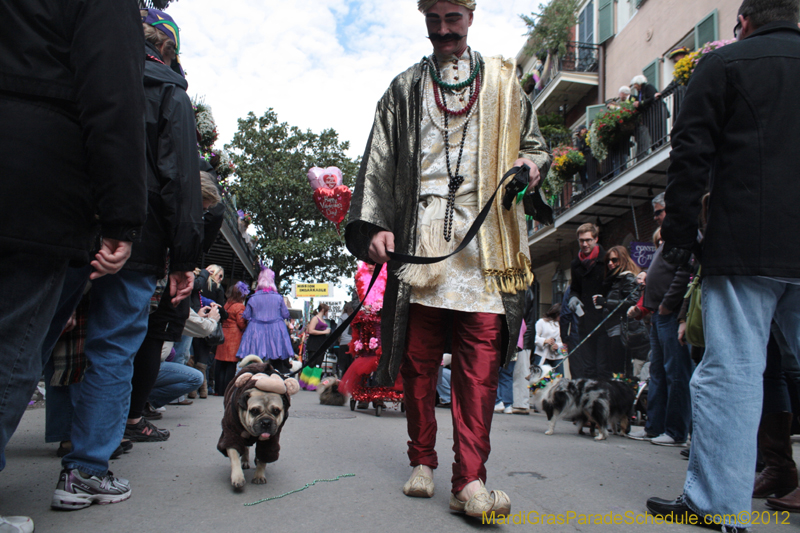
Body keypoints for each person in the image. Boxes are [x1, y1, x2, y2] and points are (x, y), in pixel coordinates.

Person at [345, 0, 550, 516]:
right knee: (417, 362)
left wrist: (530, 164)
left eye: (451, 20)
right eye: (433, 21)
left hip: (487, 249)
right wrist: (372, 228)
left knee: (478, 368)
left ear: (470, 18)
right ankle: (421, 459)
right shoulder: (403, 89)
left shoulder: (504, 84)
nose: (442, 31)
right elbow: (378, 163)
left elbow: (536, 145)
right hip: (421, 244)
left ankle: (470, 480)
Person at [646, 0, 800, 528]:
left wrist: (681, 242)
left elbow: (690, 157)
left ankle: (716, 506)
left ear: (746, 21)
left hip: (745, 243)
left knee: (732, 374)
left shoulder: (725, 64)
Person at [0, 0, 147, 520]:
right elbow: (112, 101)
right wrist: (122, 219)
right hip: (36, 184)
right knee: (15, 349)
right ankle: (87, 465)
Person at [568, 223, 608, 380]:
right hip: (585, 320)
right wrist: (573, 297)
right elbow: (575, 288)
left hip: (604, 320)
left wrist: (607, 300)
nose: (584, 244)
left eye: (588, 240)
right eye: (581, 240)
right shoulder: (575, 264)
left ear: (596, 239)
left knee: (603, 366)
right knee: (588, 367)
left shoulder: (607, 259)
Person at [593, 246, 641, 376]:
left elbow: (632, 302)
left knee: (620, 368)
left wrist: (606, 303)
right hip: (611, 327)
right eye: (608, 261)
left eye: (614, 260)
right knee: (612, 367)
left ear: (623, 259)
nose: (610, 263)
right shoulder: (613, 279)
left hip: (622, 328)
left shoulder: (627, 277)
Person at [236, 269, 294, 374]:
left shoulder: (253, 298)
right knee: (277, 359)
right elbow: (285, 314)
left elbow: (246, 315)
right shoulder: (278, 298)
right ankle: (276, 382)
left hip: (256, 331)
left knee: (255, 360)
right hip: (276, 330)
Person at [215, 282, 250, 396]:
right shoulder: (240, 306)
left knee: (221, 365)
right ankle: (227, 390)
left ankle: (218, 389)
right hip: (233, 338)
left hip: (224, 336)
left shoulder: (227, 304)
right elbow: (241, 323)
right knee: (230, 365)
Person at [533, 304, 565, 375]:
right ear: (556, 313)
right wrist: (545, 341)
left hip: (557, 356)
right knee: (541, 380)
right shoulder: (541, 322)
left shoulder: (563, 324)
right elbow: (534, 338)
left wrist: (558, 346)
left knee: (559, 379)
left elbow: (566, 343)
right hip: (542, 355)